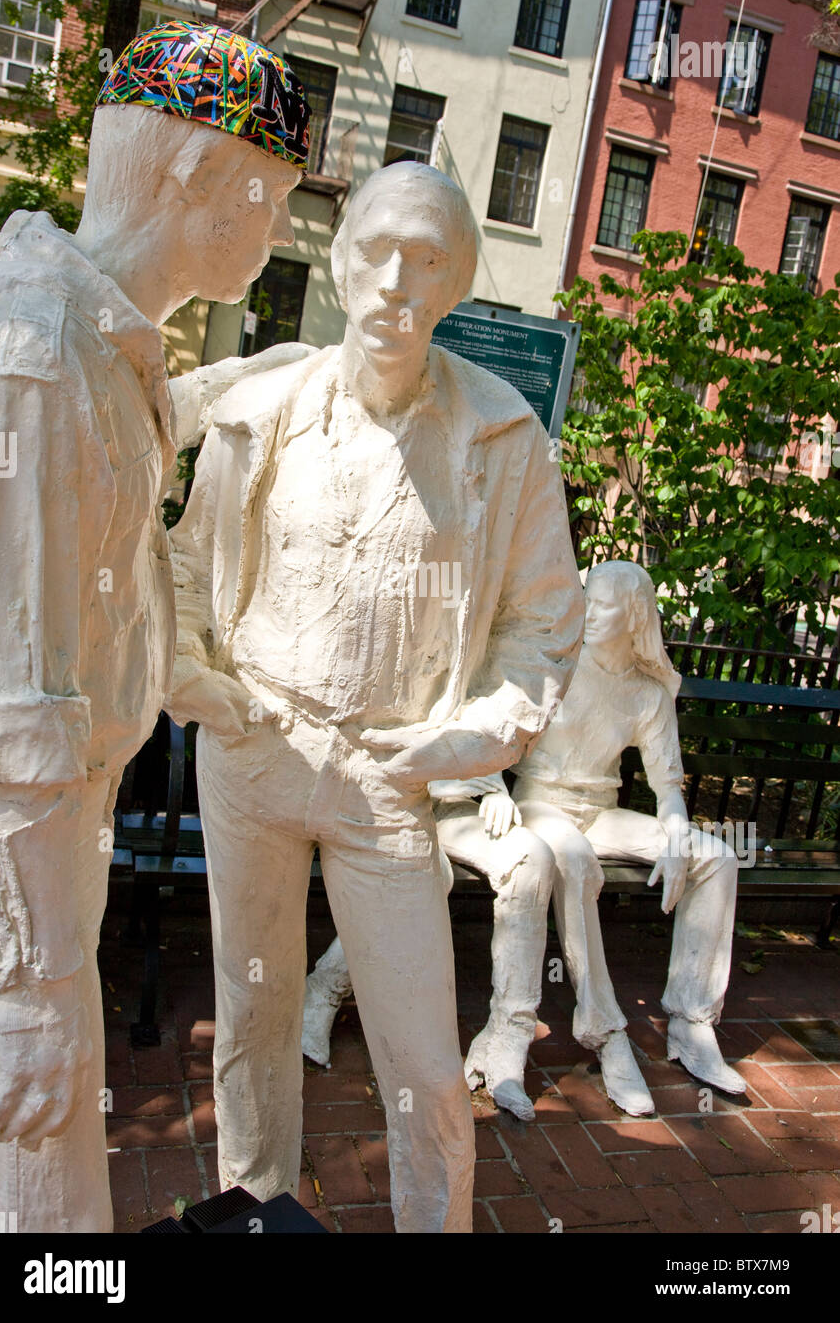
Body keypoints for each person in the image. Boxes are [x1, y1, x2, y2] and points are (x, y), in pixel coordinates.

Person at [167, 161, 584, 1232]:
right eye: (378, 250)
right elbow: (180, 570)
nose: (397, 281)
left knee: (422, 1060)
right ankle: (255, 1214)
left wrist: (461, 741)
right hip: (251, 751)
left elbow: (544, 622)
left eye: (428, 259)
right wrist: (199, 689)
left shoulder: (500, 438)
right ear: (343, 255)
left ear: (454, 285)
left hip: (387, 780)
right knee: (250, 1015)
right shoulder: (259, 413)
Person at [0, 19, 308, 1232]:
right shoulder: (32, 359)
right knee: (28, 1202)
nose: (274, 232)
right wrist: (29, 990)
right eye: (267, 201)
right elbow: (9, 700)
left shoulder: (99, 347)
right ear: (193, 177)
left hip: (56, 856)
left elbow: (102, 556)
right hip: (5, 897)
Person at [513, 560, 746, 1097]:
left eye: (602, 604)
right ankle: (606, 1031)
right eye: (585, 599)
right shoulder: (557, 664)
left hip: (600, 811)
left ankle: (692, 1022)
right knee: (574, 860)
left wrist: (676, 838)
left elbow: (669, 791)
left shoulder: (648, 693)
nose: (588, 612)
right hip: (540, 804)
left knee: (718, 857)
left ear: (635, 614)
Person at [303, 775, 556, 1123]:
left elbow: (482, 723)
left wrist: (494, 789)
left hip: (455, 799)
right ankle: (324, 989)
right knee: (427, 870)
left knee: (532, 858)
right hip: (381, 797)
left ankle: (508, 1037)